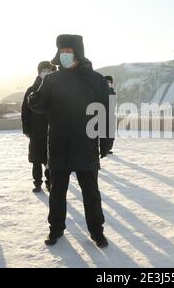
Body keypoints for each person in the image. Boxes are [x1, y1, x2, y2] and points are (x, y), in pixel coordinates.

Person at [29, 35, 114, 248]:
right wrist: (34, 101)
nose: (65, 55)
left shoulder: (96, 79)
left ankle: (97, 231)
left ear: (78, 52)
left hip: (86, 144)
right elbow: (41, 105)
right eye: (62, 51)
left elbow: (106, 113)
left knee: (91, 193)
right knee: (57, 192)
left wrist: (106, 142)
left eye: (69, 51)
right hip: (58, 144)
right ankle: (55, 229)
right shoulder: (52, 79)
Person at [21, 61, 55, 193]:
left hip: (51, 130)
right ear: (39, 72)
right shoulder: (31, 90)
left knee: (50, 159)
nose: (46, 73)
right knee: (36, 158)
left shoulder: (55, 89)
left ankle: (50, 182)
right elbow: (25, 111)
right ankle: (37, 182)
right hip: (35, 130)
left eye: (49, 70)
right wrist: (27, 129)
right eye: (44, 70)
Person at [104, 76, 116, 155]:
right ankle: (102, 149)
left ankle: (108, 149)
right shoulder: (101, 91)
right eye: (107, 82)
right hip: (101, 115)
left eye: (110, 82)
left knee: (111, 135)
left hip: (110, 115)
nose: (109, 84)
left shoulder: (113, 93)